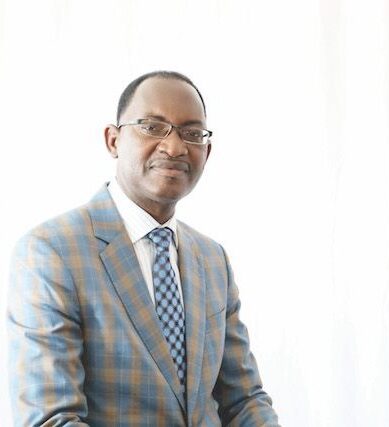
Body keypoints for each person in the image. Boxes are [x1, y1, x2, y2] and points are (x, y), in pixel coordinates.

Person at [7, 71, 279, 426]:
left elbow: (244, 400)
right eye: (153, 127)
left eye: (192, 134)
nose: (175, 147)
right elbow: (51, 418)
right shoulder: (51, 252)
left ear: (207, 151)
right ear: (113, 140)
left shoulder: (213, 259)